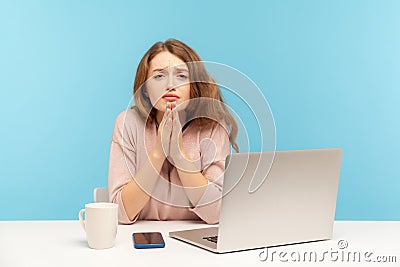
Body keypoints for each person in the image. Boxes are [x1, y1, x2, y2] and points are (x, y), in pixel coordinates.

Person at [108, 39, 239, 224]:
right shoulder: (127, 123)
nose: (170, 85)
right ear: (145, 89)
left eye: (181, 76)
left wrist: (179, 154)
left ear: (194, 85)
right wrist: (158, 152)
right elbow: (121, 213)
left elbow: (216, 213)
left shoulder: (213, 128)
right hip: (141, 239)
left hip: (195, 242)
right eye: (159, 76)